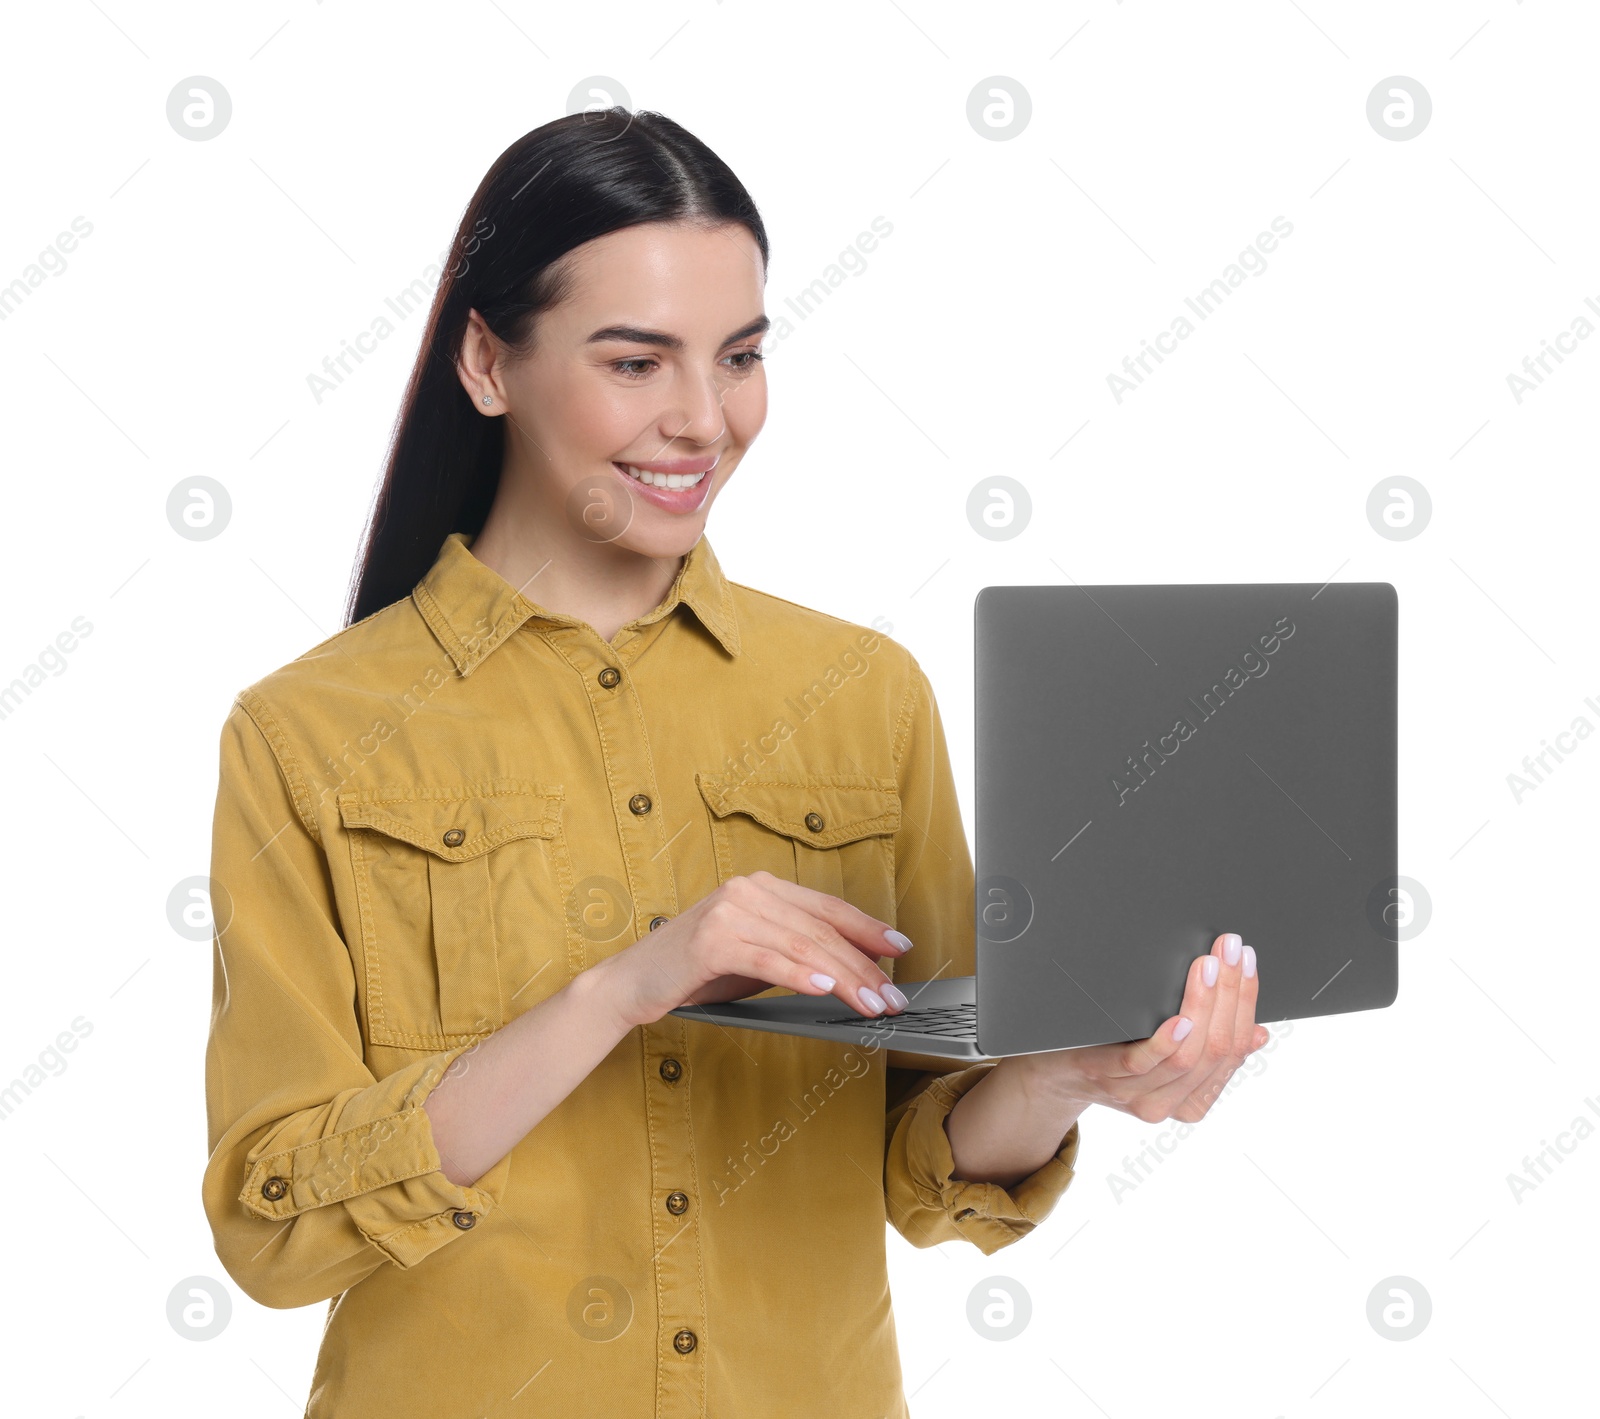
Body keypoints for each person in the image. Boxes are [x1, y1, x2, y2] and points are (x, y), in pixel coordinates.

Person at [201, 107, 1268, 1418]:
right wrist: (619, 990)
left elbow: (922, 1153)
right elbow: (277, 1220)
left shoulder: (861, 698)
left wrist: (1064, 1078)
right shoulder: (307, 731)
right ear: (487, 360)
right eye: (637, 363)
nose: (704, 421)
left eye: (742, 356)